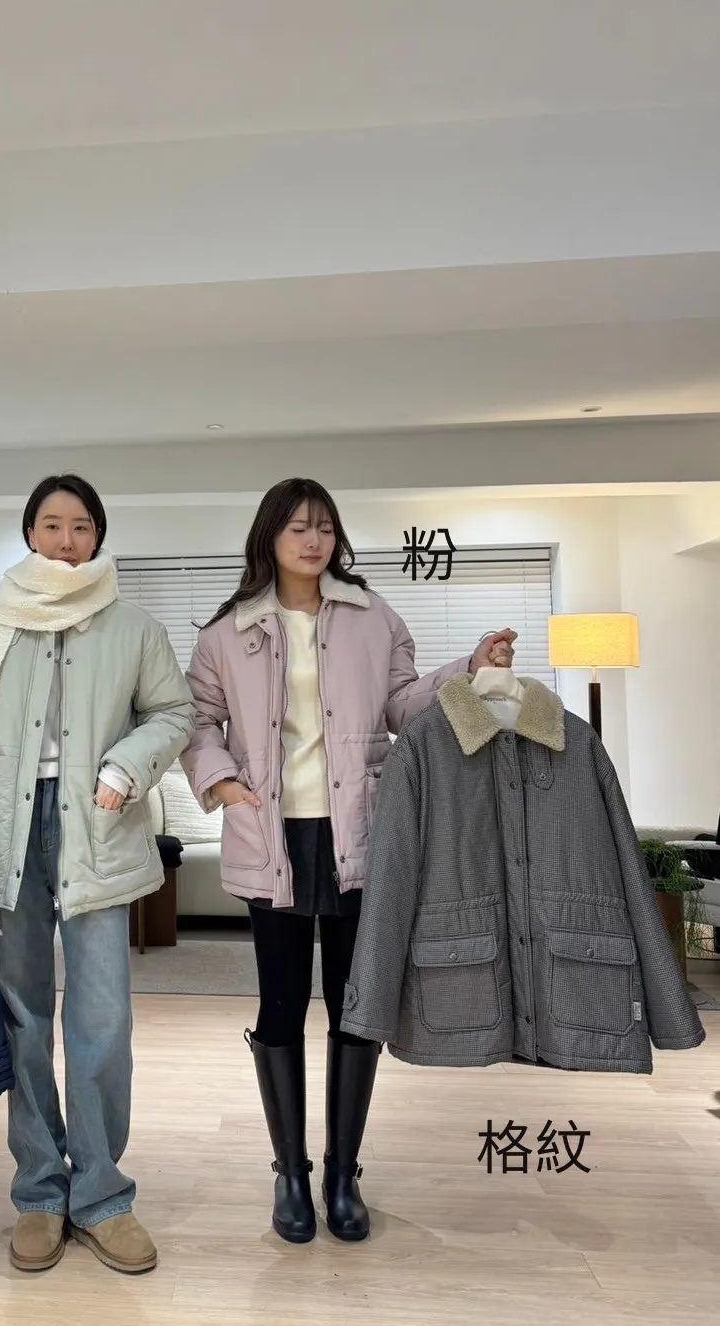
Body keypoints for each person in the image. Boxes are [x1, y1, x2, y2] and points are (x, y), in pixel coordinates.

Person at [180, 479, 516, 1246]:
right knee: (279, 1005)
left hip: (360, 830)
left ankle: (342, 1175)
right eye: (298, 527)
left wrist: (468, 668)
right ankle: (290, 1174)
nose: (313, 540)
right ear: (269, 537)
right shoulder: (228, 632)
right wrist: (223, 782)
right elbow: (198, 722)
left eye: (325, 527)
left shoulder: (373, 616)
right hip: (270, 834)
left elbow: (403, 705)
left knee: (353, 1003)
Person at [0, 475, 194, 1276]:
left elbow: (174, 714)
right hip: (5, 834)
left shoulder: (134, 626)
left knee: (101, 1020)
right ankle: (39, 1193)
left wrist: (125, 768)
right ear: (29, 534)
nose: (66, 539)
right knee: (20, 1016)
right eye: (52, 524)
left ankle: (103, 1196)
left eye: (81, 525)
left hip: (97, 827)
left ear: (99, 536)